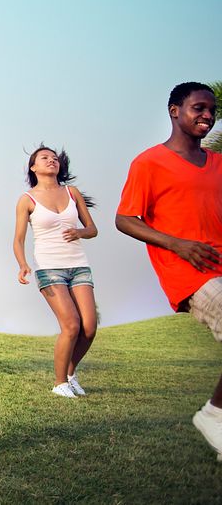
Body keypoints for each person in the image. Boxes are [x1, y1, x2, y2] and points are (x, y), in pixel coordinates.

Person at [115, 81, 222, 458]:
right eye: (199, 108)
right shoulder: (149, 162)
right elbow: (125, 219)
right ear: (174, 110)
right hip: (188, 272)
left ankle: (215, 412)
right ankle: (213, 415)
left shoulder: (218, 163)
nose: (207, 115)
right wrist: (177, 243)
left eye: (212, 110)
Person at [13, 145, 98, 398]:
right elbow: (18, 239)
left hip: (79, 265)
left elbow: (92, 229)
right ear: (33, 167)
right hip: (50, 268)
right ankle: (60, 383)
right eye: (44, 158)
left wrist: (79, 232)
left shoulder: (72, 193)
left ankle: (70, 373)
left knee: (90, 327)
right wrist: (23, 264)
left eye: (54, 158)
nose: (51, 160)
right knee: (71, 325)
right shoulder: (27, 199)